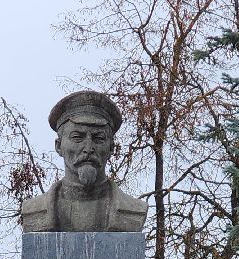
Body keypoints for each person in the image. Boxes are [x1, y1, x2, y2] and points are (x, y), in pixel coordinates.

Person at [20, 90, 145, 233]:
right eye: (77, 137)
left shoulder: (133, 212)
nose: (88, 148)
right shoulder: (34, 211)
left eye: (98, 139)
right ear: (59, 146)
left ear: (111, 148)